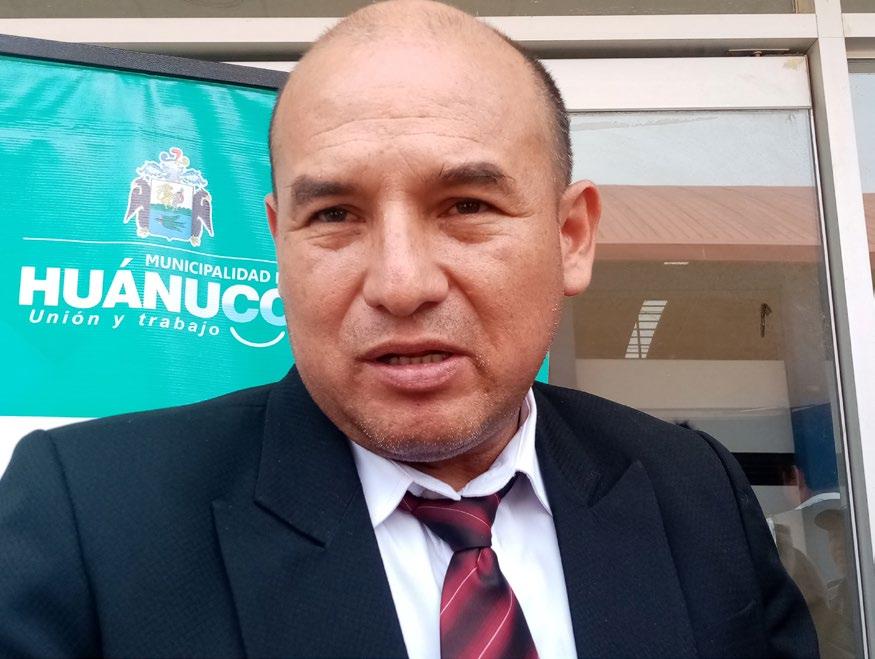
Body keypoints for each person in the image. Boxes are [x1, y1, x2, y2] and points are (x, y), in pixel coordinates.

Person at [0, 1, 819, 657]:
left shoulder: (693, 492)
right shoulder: (90, 518)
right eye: (334, 215)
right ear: (280, 245)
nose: (400, 284)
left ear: (571, 238)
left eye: (465, 205)